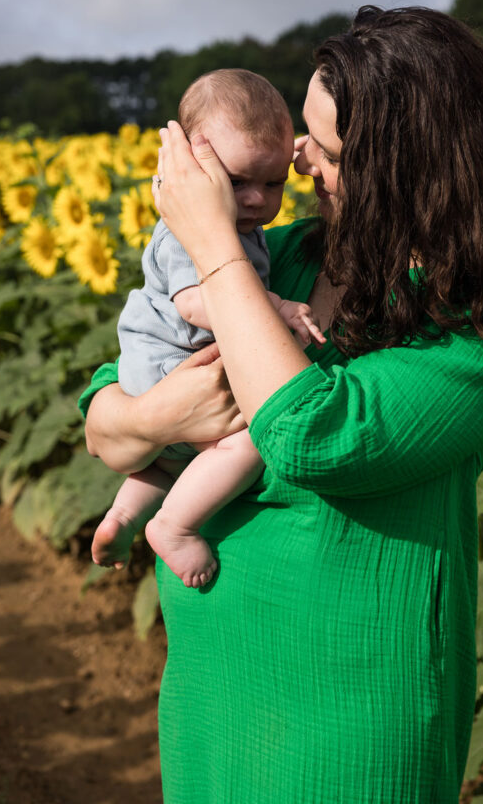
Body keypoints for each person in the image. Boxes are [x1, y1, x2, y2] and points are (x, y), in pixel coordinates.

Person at [80, 6, 483, 803]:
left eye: (328, 147)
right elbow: (104, 422)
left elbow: (311, 436)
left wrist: (210, 248)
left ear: (406, 171)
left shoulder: (477, 335)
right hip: (212, 691)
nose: (299, 156)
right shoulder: (282, 255)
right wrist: (149, 421)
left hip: (349, 717)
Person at [91, 69, 325, 588]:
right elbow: (197, 303)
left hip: (164, 372)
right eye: (237, 182)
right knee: (244, 443)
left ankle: (124, 518)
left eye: (275, 183)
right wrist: (275, 306)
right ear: (192, 168)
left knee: (163, 465)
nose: (257, 200)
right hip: (167, 362)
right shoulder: (185, 231)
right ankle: (173, 526)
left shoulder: (251, 228)